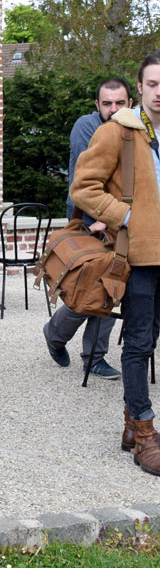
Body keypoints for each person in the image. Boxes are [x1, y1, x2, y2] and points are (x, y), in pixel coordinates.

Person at [71, 51, 160, 476]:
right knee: (139, 344)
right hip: (140, 256)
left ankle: (131, 426)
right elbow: (84, 188)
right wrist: (126, 217)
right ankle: (144, 431)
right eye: (154, 84)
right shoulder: (119, 133)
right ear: (139, 88)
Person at [43, 77, 132, 379]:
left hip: (120, 221)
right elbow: (88, 179)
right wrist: (101, 219)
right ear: (97, 105)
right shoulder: (87, 126)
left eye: (120, 102)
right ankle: (56, 334)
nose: (113, 108)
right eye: (107, 103)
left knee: (110, 287)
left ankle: (93, 356)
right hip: (90, 221)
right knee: (91, 287)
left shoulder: (134, 130)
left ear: (129, 103)